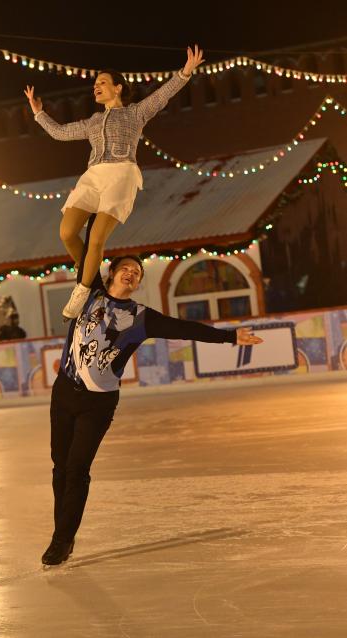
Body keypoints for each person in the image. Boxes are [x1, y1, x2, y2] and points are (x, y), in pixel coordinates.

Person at [41, 216, 263, 565]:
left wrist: (231, 336)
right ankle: (62, 532)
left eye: (137, 272)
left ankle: (62, 539)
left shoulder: (140, 317)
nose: (132, 273)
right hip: (64, 393)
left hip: (97, 404)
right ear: (111, 273)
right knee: (60, 467)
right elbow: (88, 248)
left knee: (77, 468)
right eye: (126, 268)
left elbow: (185, 328)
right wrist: (94, 211)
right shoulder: (89, 294)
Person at [24, 45, 204, 321]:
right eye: (95, 84)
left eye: (103, 83)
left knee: (96, 238)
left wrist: (185, 73)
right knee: (67, 232)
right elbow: (60, 133)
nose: (96, 87)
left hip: (121, 174)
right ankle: (90, 274)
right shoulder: (93, 121)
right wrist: (39, 114)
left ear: (118, 88)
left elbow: (161, 97)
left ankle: (83, 290)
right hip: (93, 176)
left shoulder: (135, 113)